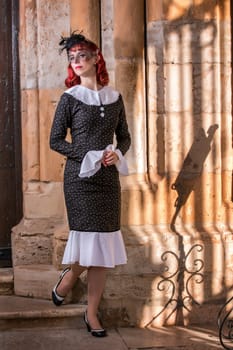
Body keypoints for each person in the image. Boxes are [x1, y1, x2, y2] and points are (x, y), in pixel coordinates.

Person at [49, 32, 131, 337]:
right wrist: (87, 154)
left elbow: (125, 137)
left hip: (108, 181)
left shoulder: (115, 97)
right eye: (72, 58)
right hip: (80, 180)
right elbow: (55, 140)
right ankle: (69, 279)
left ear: (96, 57)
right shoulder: (70, 98)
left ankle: (92, 313)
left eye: (82, 55)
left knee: (105, 248)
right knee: (88, 245)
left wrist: (116, 154)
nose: (77, 62)